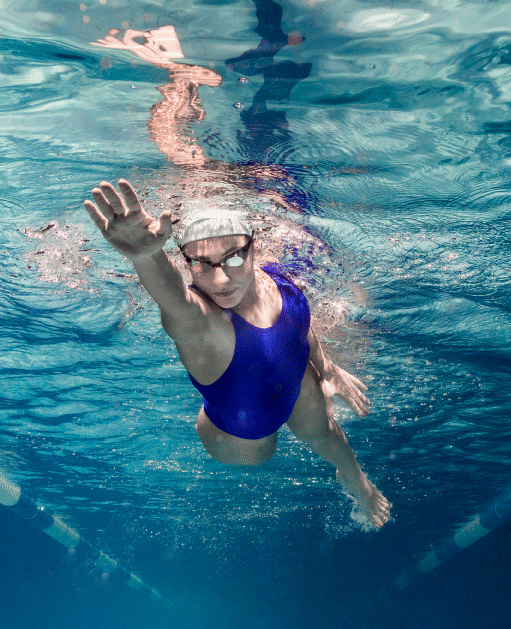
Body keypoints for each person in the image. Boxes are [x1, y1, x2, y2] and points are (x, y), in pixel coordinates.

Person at [83, 179, 390, 528]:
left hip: (285, 383)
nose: (220, 279)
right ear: (186, 263)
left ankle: (359, 483)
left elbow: (298, 327)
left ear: (254, 251)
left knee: (322, 429)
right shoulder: (201, 323)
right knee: (262, 452)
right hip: (238, 434)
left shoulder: (274, 281)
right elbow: (174, 299)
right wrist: (146, 255)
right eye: (201, 264)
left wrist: (329, 368)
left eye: (234, 258)